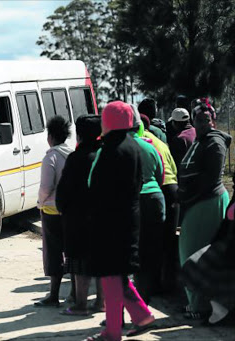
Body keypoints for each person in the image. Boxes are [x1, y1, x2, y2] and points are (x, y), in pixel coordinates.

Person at [85, 101, 155, 341]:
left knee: (111, 276)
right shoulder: (133, 146)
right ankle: (142, 315)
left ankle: (112, 332)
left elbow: (96, 187)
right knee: (119, 274)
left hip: (110, 222)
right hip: (127, 217)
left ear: (108, 122)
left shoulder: (110, 149)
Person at [178, 99, 232, 319]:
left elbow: (210, 179)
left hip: (208, 202)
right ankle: (198, 304)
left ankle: (199, 306)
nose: (202, 123)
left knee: (193, 255)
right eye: (198, 120)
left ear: (213, 121)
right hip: (196, 203)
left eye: (206, 119)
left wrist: (186, 195)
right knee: (188, 254)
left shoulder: (215, 142)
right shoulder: (200, 141)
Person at [55, 115, 104, 316]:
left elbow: (64, 190)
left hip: (77, 218)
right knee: (101, 262)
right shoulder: (104, 155)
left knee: (79, 262)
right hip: (101, 217)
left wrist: (61, 206)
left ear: (81, 134)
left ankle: (81, 304)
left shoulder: (77, 158)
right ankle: (102, 302)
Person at [181, 171, 235, 326]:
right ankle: (219, 307)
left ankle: (223, 311)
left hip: (230, 248)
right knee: (193, 266)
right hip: (227, 245)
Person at [34, 115, 73, 308]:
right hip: (71, 211)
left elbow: (46, 187)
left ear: (50, 136)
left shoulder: (51, 157)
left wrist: (40, 202)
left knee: (54, 254)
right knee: (72, 252)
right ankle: (75, 294)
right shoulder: (72, 154)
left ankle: (53, 295)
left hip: (51, 211)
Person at [140, 113, 180, 294]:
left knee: (151, 243)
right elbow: (172, 167)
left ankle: (152, 286)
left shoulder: (140, 142)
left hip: (157, 190)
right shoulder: (160, 142)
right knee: (168, 242)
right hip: (172, 190)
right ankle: (168, 284)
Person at [129, 106, 165, 304]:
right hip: (155, 200)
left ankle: (140, 301)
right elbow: (160, 176)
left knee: (136, 254)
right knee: (152, 251)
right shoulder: (151, 146)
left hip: (135, 202)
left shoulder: (121, 147)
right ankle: (148, 295)